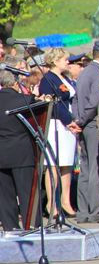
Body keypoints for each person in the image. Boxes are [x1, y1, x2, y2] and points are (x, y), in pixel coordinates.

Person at [72, 40, 99, 224]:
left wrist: (76, 120)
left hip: (83, 124)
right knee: (97, 169)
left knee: (85, 169)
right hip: (94, 125)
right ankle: (97, 210)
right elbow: (95, 101)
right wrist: (81, 121)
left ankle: (83, 211)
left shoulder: (85, 71)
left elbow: (76, 100)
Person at [0, 70, 47, 230]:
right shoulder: (25, 100)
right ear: (14, 84)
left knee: (4, 196)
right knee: (27, 193)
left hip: (1, 153)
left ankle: (10, 228)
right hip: (22, 152)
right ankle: (32, 227)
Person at [38, 48, 79, 218]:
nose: (67, 62)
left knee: (67, 164)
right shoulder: (48, 79)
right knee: (53, 164)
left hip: (69, 124)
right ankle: (51, 204)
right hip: (57, 123)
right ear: (55, 61)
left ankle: (65, 201)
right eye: (64, 59)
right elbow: (53, 103)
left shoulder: (66, 78)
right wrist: (68, 120)